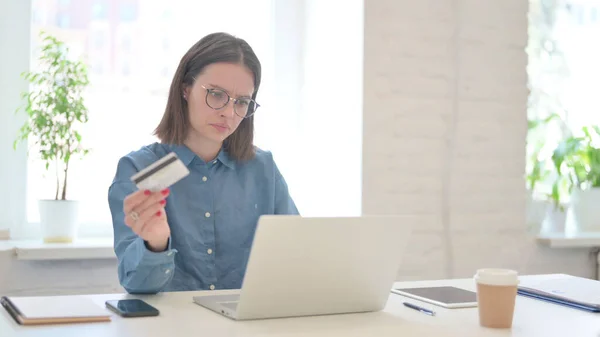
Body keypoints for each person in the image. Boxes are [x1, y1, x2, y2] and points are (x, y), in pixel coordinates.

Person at [108, 32, 299, 294]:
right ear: (185, 89)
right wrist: (156, 244)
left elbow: (298, 259)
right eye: (217, 95)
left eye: (242, 102)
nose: (229, 113)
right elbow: (136, 285)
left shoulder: (263, 169)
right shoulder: (139, 169)